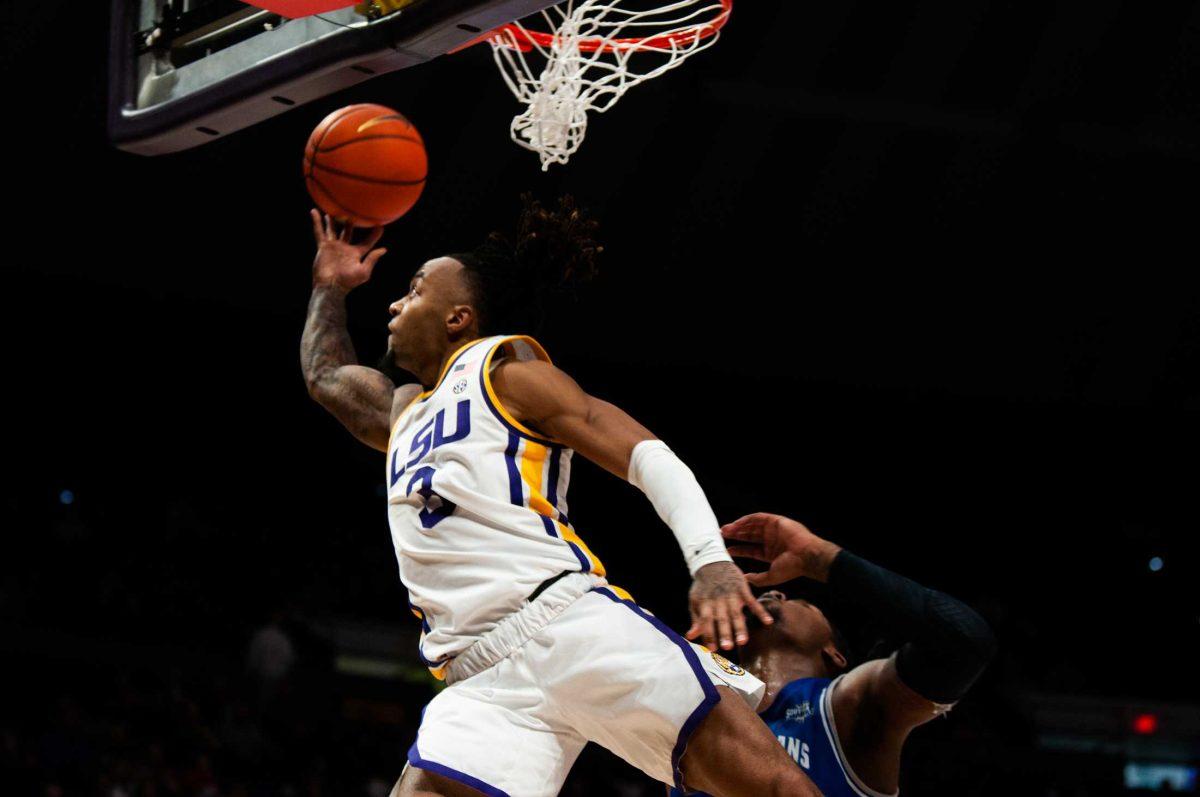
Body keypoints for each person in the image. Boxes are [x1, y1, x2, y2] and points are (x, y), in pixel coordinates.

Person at [299, 196, 821, 797]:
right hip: (476, 677)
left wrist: (711, 561)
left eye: (415, 290)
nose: (393, 303)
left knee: (777, 789)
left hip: (567, 625)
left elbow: (645, 455)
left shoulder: (505, 372)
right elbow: (325, 376)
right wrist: (328, 285)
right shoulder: (402, 413)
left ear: (458, 318)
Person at [671, 512, 997, 797]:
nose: (776, 592)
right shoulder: (698, 715)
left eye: (803, 604)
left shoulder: (845, 707)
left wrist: (820, 558)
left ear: (835, 654)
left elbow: (964, 641)